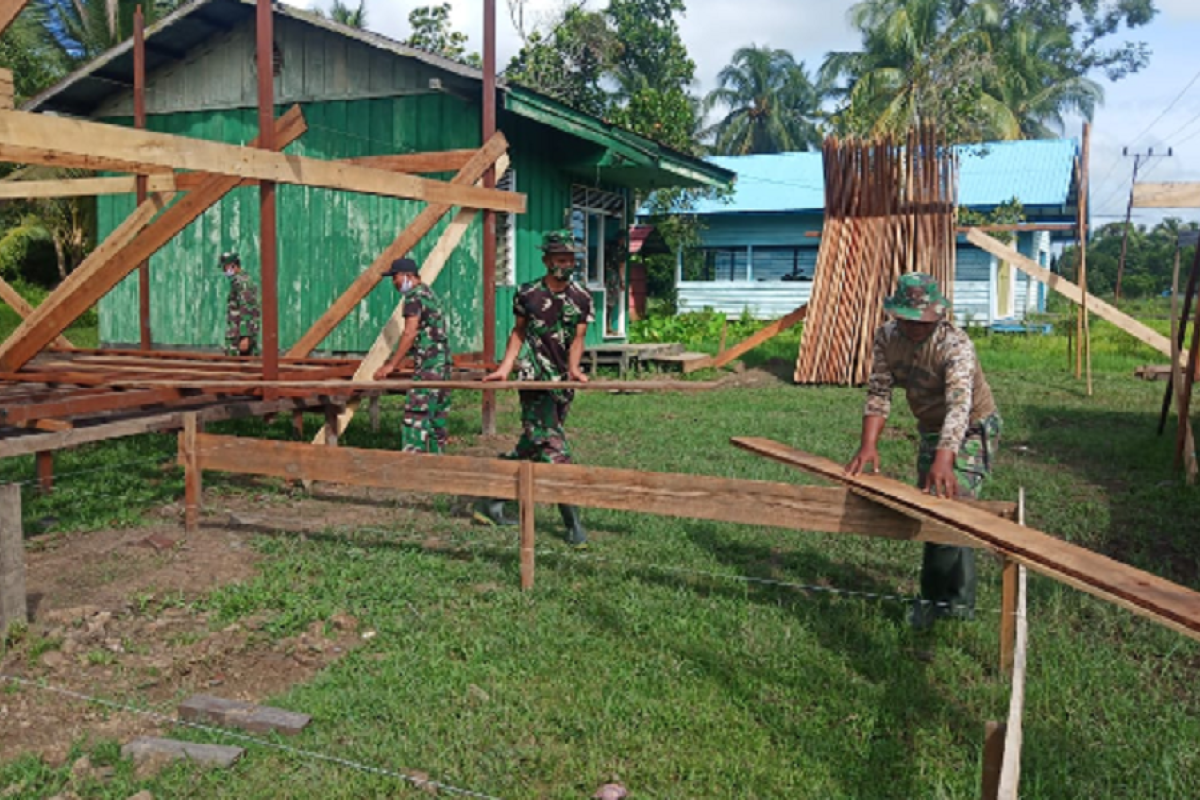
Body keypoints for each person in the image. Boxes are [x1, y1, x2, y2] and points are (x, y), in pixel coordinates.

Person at [845, 272, 1002, 630]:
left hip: (973, 427)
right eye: (908, 320)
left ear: (938, 315)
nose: (915, 327)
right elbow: (879, 391)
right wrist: (869, 444)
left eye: (924, 321)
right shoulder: (886, 338)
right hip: (932, 428)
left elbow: (959, 408)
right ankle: (940, 599)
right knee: (932, 507)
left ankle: (951, 604)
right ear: (896, 314)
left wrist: (945, 458)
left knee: (953, 503)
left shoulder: (956, 346)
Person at [477, 229, 593, 548]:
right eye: (560, 260)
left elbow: (578, 338)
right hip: (532, 376)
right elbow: (518, 333)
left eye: (570, 260)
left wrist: (573, 369)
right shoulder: (527, 294)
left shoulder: (582, 297)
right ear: (546, 261)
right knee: (555, 450)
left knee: (532, 444)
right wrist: (504, 368)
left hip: (561, 381)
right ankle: (573, 524)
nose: (566, 265)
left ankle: (489, 500)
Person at [373, 258, 452, 453]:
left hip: (429, 366)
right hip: (443, 364)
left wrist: (392, 364)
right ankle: (437, 461)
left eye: (395, 277)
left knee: (416, 414)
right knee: (436, 417)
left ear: (407, 276)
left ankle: (411, 462)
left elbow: (410, 332)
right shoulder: (428, 293)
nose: (394, 283)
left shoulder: (413, 297)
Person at [219, 252, 261, 357]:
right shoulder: (238, 282)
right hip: (236, 335)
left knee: (243, 368)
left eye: (225, 268)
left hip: (239, 337)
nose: (224, 271)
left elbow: (248, 310)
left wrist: (245, 336)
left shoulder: (243, 283)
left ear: (233, 265)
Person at [603, 230, 626, 336]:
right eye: (621, 238)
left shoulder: (622, 250)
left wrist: (622, 280)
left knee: (611, 302)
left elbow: (622, 265)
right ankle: (606, 326)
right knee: (607, 302)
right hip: (607, 275)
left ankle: (608, 326)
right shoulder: (610, 247)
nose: (622, 240)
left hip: (613, 276)